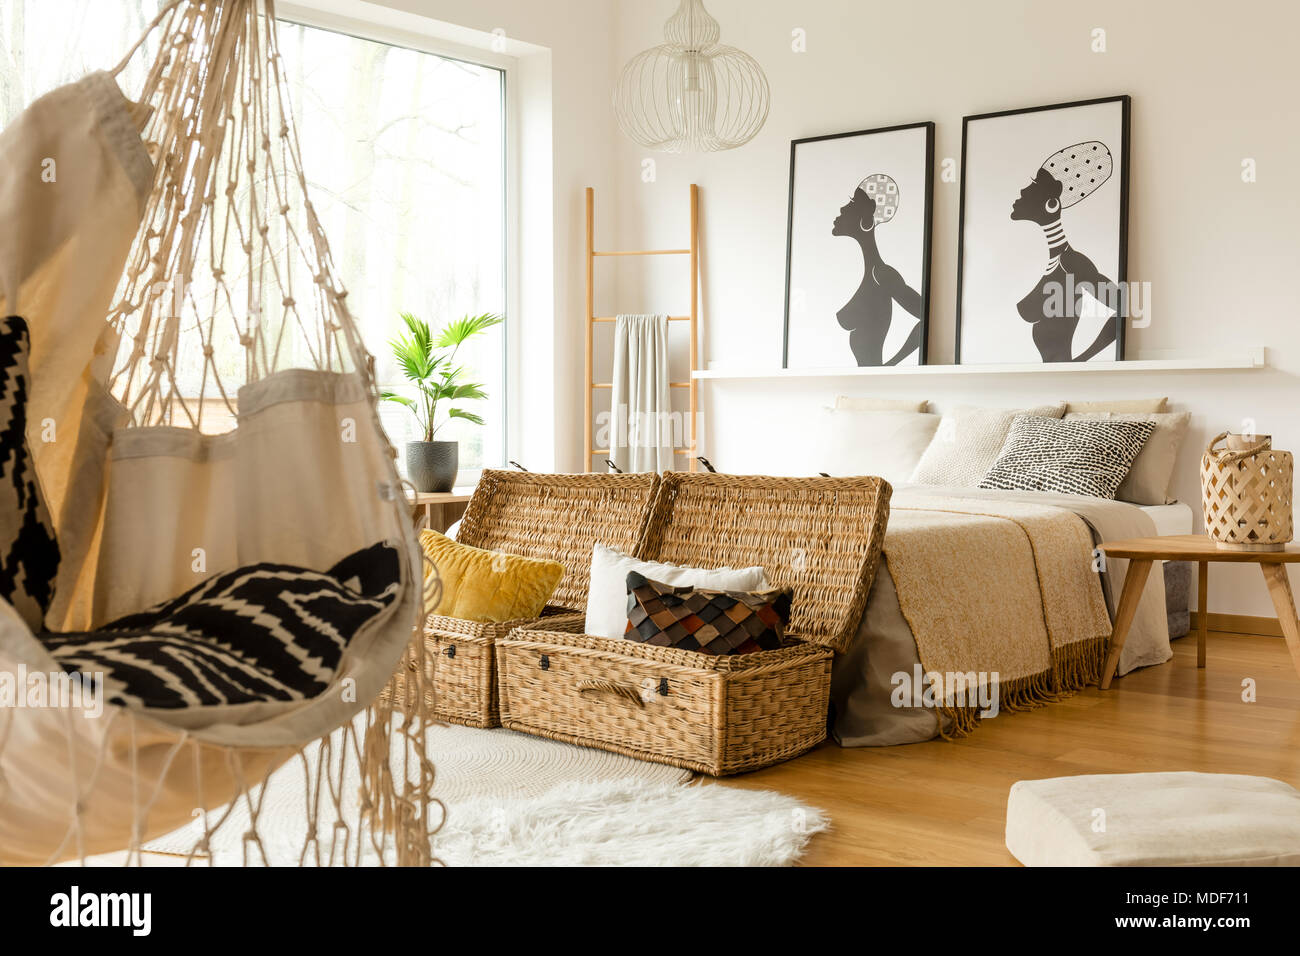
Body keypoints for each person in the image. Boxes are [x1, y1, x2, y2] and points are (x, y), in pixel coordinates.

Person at [1011, 141, 1121, 362]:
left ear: (1051, 204)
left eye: (1033, 184)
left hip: (1064, 383)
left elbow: (1124, 309)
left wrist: (1081, 361)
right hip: (1048, 383)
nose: (1023, 189)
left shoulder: (1071, 263)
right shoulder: (1055, 262)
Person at [832, 174, 923, 366]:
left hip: (874, 383)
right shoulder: (867, 273)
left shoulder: (882, 274)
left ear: (866, 217)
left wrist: (890, 366)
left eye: (852, 202)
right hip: (862, 385)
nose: (842, 208)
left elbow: (927, 318)